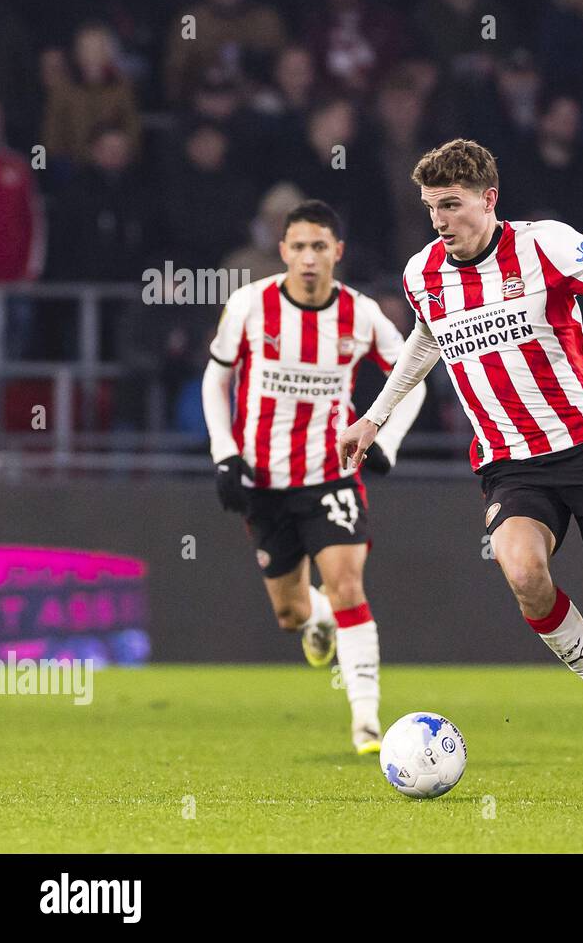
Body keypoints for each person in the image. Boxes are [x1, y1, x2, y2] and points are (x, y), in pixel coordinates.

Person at [337, 138, 583, 800]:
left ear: (489, 200)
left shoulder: (542, 242)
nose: (440, 219)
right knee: (522, 572)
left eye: (453, 205)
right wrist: (375, 416)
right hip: (510, 462)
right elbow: (426, 339)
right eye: (432, 206)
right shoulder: (422, 273)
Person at [202, 200, 425, 754]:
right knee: (290, 614)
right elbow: (215, 382)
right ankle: (317, 614)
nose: (307, 258)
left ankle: (366, 722)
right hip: (263, 480)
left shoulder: (361, 313)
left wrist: (385, 440)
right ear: (282, 251)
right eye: (298, 246)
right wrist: (225, 454)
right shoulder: (250, 305)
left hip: (332, 475)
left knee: (349, 584)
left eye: (319, 247)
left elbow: (415, 377)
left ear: (337, 253)